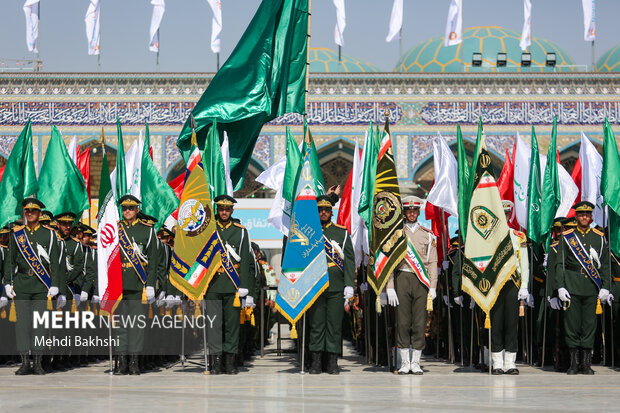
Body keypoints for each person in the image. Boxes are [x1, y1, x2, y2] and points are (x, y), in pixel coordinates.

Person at [3, 198, 61, 375]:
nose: (30, 214)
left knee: (39, 325)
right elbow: (10, 262)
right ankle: (24, 363)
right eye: (27, 212)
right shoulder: (17, 235)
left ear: (39, 214)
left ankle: (37, 362)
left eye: (33, 212)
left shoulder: (50, 234)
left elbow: (56, 263)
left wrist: (55, 284)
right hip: (21, 285)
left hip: (41, 286)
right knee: (22, 326)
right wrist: (7, 282)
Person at [555, 201, 610, 375]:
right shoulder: (567, 237)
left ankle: (586, 364)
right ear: (576, 216)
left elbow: (605, 266)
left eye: (587, 215)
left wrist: (606, 287)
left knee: (589, 326)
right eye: (581, 214)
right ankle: (573, 363)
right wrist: (560, 287)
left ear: (591, 217)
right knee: (571, 325)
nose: (584, 217)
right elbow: (559, 265)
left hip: (591, 288)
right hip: (572, 286)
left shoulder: (599, 237)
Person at [386, 195, 437, 375]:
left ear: (418, 212)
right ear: (404, 212)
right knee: (403, 322)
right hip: (402, 278)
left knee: (419, 322)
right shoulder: (396, 234)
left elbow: (432, 262)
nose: (412, 213)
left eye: (415, 210)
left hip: (421, 281)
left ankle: (415, 362)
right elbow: (390, 262)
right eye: (409, 210)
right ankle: (404, 362)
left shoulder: (428, 234)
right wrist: (390, 286)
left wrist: (433, 286)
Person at [307, 195, 354, 375]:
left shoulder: (341, 232)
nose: (323, 213)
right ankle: (316, 361)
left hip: (336, 285)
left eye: (326, 210)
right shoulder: (308, 232)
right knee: (317, 325)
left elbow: (349, 260)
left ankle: (332, 362)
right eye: (320, 210)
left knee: (334, 325)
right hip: (315, 285)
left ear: (331, 212)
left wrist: (349, 284)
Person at [207, 195, 254, 375]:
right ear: (217, 210)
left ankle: (230, 361)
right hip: (212, 284)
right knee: (214, 325)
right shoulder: (209, 229)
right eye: (221, 209)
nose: (224, 212)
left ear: (232, 210)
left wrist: (245, 286)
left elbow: (245, 261)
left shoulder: (241, 231)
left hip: (233, 285)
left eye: (227, 209)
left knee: (232, 325)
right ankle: (216, 361)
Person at [115, 195, 158, 375]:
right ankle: (122, 362)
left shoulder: (147, 231)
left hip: (137, 284)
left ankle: (134, 362)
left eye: (131, 208)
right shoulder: (114, 229)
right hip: (117, 285)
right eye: (125, 208)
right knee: (120, 326)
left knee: (136, 326)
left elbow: (154, 262)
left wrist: (150, 285)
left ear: (137, 210)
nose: (127, 211)